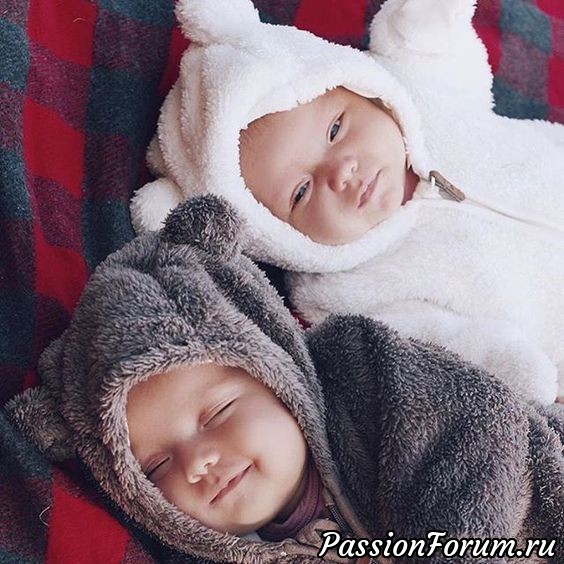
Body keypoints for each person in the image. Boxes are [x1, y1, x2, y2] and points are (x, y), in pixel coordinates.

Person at [6, 196, 564, 563]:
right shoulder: (202, 552)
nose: (198, 462)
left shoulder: (361, 371)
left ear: (275, 373)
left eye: (217, 413)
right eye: (155, 468)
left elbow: (482, 429)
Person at [131, 0, 564, 405]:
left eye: (335, 130)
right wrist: (508, 364)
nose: (340, 172)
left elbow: (431, 39)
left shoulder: (421, 90)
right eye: (301, 192)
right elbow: (438, 343)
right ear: (277, 237)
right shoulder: (343, 293)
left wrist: (422, 22)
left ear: (364, 89)